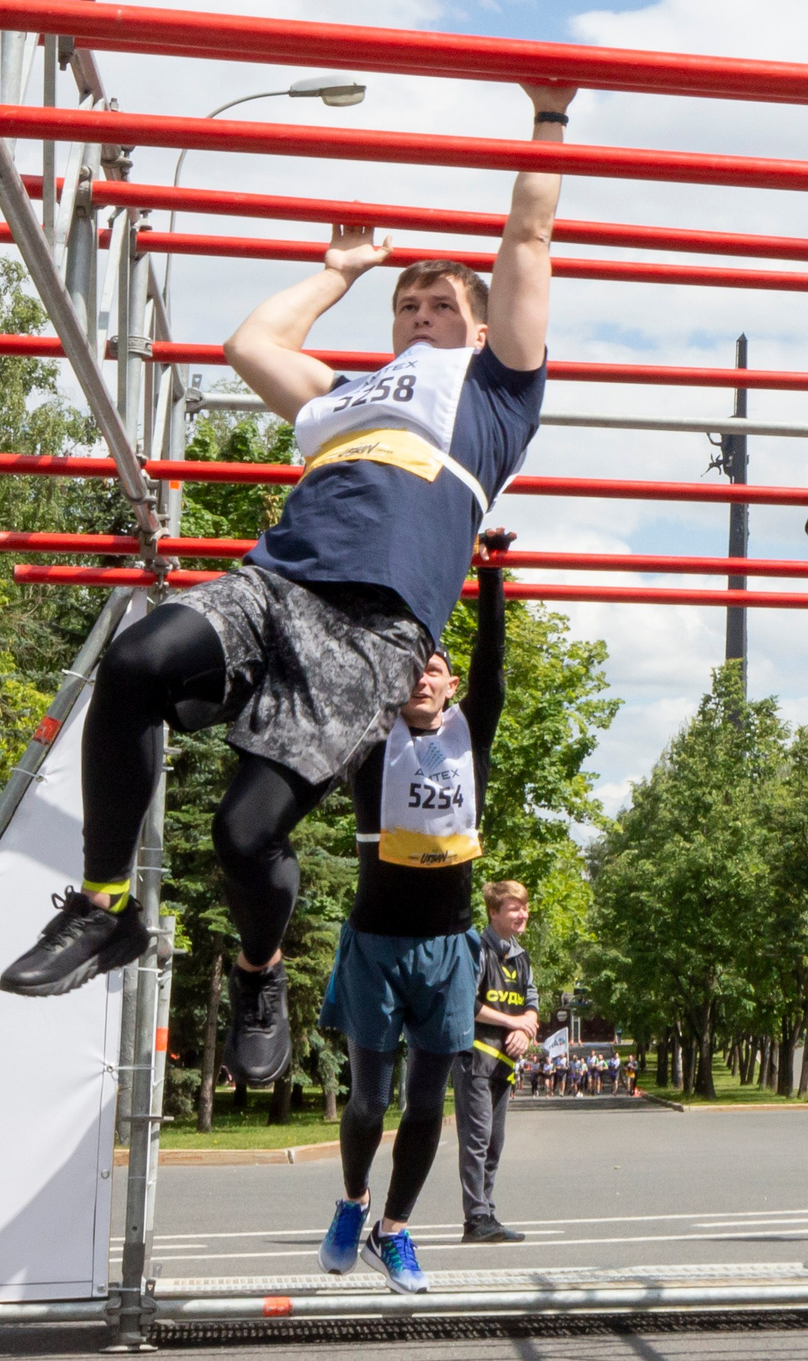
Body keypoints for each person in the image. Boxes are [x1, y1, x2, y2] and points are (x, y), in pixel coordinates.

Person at [0, 83, 576, 1092]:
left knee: (242, 833)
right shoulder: (343, 396)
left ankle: (261, 973)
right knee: (136, 660)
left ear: (482, 330)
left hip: (373, 626)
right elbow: (250, 347)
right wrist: (339, 270)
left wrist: (549, 117)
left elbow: (527, 236)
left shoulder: (493, 392)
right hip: (274, 581)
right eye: (411, 303)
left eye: (446, 304)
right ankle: (102, 905)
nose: (426, 312)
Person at [312, 532, 511, 1294]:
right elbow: (345, 659)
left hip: (449, 949)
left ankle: (394, 1230)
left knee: (429, 1102)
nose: (422, 676)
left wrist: (490, 575)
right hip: (377, 945)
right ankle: (353, 1201)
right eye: (413, 667)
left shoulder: (471, 739)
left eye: (435, 667)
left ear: (452, 686)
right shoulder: (373, 738)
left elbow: (492, 669)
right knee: (369, 1097)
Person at [454, 879, 539, 1245]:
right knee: (477, 1139)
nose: (522, 914)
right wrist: (512, 1022)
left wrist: (527, 1029)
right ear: (493, 912)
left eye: (524, 907)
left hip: (504, 1063)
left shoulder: (520, 955)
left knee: (495, 1142)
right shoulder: (475, 948)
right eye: (513, 908)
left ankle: (487, 1211)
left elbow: (531, 1000)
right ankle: (475, 1218)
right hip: (474, 1058)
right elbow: (466, 1004)